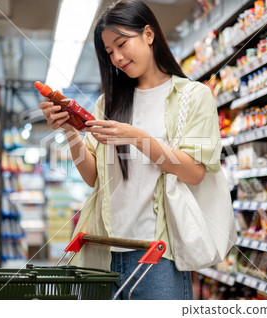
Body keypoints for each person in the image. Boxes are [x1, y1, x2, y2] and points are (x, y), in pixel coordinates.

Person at [39, 0, 221, 300]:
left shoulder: (193, 96)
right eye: (109, 52)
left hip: (158, 256)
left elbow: (194, 172)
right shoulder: (108, 104)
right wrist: (70, 131)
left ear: (148, 34)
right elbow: (94, 178)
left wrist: (138, 138)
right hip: (104, 251)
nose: (117, 57)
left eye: (122, 44)